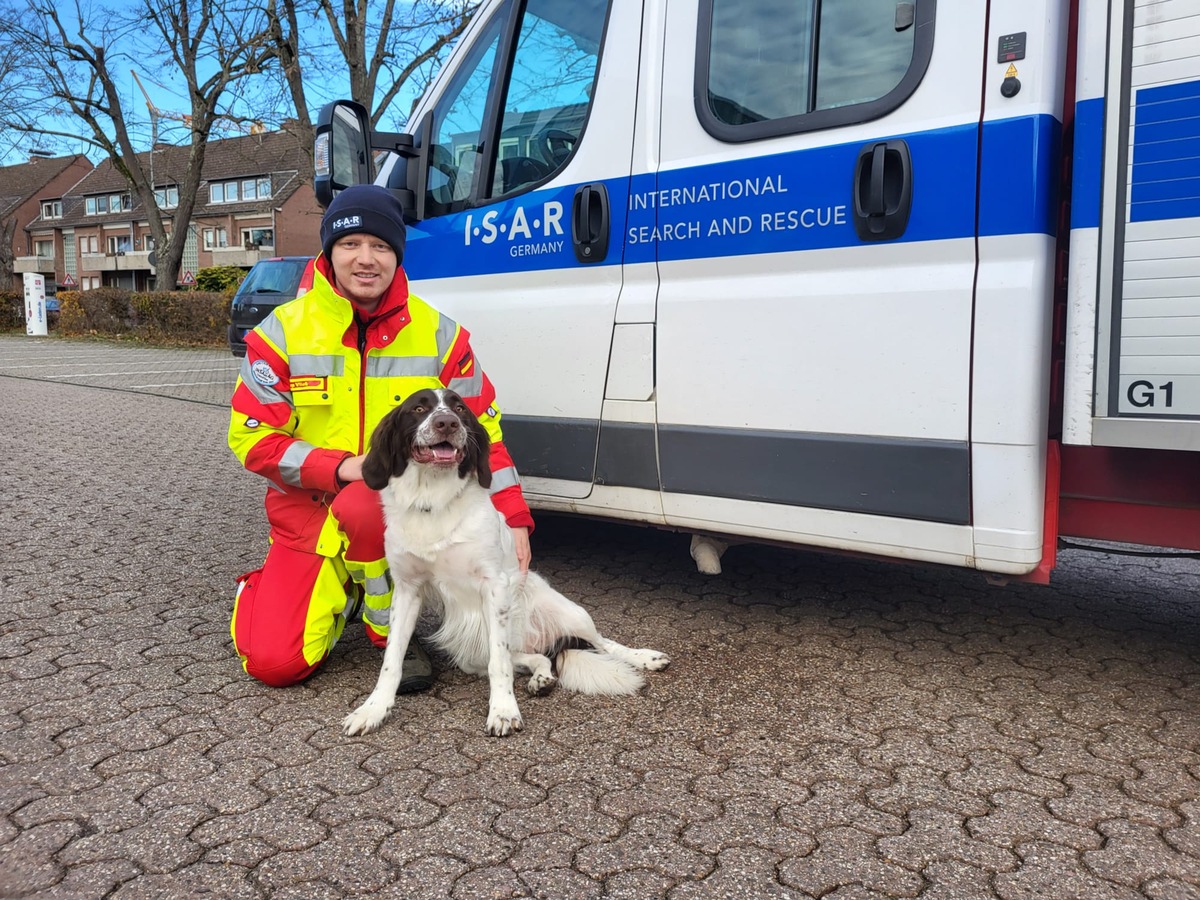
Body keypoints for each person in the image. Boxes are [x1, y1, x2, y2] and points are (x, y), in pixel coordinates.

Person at [228, 184, 534, 688]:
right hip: (307, 514)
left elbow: (487, 437)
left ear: (397, 256)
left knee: (369, 504)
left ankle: (385, 631)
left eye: (382, 246)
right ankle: (276, 595)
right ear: (329, 252)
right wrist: (343, 467)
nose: (365, 259)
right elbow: (251, 439)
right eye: (350, 245)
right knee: (274, 665)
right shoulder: (281, 332)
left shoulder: (442, 336)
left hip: (393, 505)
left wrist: (513, 517)